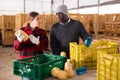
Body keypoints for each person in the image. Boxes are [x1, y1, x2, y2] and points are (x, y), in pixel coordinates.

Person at [14, 11, 48, 80]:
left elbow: (45, 46)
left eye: (40, 18)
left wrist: (38, 43)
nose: (40, 21)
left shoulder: (41, 32)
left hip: (38, 61)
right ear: (30, 20)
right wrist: (19, 41)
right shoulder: (21, 31)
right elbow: (16, 48)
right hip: (26, 63)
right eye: (37, 19)